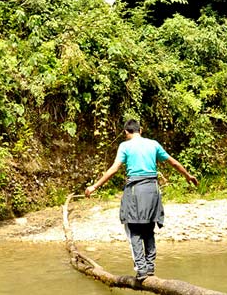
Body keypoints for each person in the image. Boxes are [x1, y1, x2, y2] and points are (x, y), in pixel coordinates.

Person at [85, 119, 198, 281]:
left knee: (135, 230)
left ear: (126, 132)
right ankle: (150, 268)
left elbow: (114, 169)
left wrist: (94, 186)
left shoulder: (125, 146)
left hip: (135, 191)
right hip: (153, 190)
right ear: (141, 130)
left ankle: (142, 270)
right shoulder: (153, 144)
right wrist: (187, 176)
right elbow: (172, 162)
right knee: (148, 229)